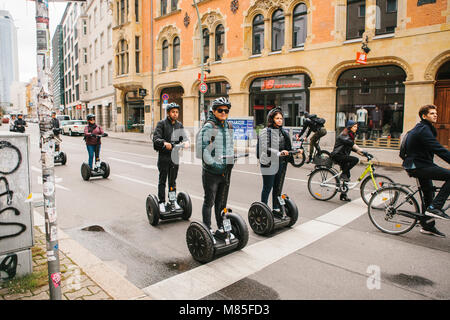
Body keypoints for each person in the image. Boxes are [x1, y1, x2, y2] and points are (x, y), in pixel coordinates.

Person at [402, 104, 450, 237]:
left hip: (420, 165)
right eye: (432, 113)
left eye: (436, 113)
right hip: (418, 166)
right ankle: (435, 208)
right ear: (424, 116)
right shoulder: (423, 130)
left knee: (429, 194)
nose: (435, 115)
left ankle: (427, 226)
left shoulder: (424, 128)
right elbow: (438, 149)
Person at [197, 97, 234, 233]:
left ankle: (221, 227)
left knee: (221, 203)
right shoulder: (209, 126)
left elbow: (230, 146)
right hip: (211, 172)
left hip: (226, 171)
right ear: (214, 110)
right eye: (220, 110)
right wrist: (214, 165)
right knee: (209, 202)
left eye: (226, 110)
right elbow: (202, 150)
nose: (224, 112)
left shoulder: (229, 126)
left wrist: (231, 160)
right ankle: (207, 229)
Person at [152, 103, 189, 212]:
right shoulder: (161, 124)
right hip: (164, 157)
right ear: (168, 113)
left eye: (177, 112)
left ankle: (172, 200)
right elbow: (156, 139)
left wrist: (186, 142)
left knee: (172, 181)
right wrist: (164, 143)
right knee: (162, 180)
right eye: (173, 112)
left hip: (175, 157)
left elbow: (184, 137)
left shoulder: (179, 125)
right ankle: (162, 202)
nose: (175, 114)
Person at [257, 107, 294, 211]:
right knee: (268, 187)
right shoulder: (265, 131)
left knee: (277, 188)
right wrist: (278, 153)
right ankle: (263, 208)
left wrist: (295, 151)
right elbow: (265, 147)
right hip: (268, 163)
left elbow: (286, 147)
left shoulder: (282, 132)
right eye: (277, 118)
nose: (279, 120)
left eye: (281, 118)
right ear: (271, 119)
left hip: (280, 163)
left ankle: (276, 208)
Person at [331, 120, 371, 201]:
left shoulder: (350, 135)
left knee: (347, 176)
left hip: (343, 156)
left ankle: (343, 195)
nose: (356, 128)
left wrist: (364, 154)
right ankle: (343, 174)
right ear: (350, 127)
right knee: (355, 160)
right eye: (354, 126)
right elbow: (352, 145)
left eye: (356, 127)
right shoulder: (344, 135)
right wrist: (362, 150)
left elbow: (352, 148)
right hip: (337, 155)